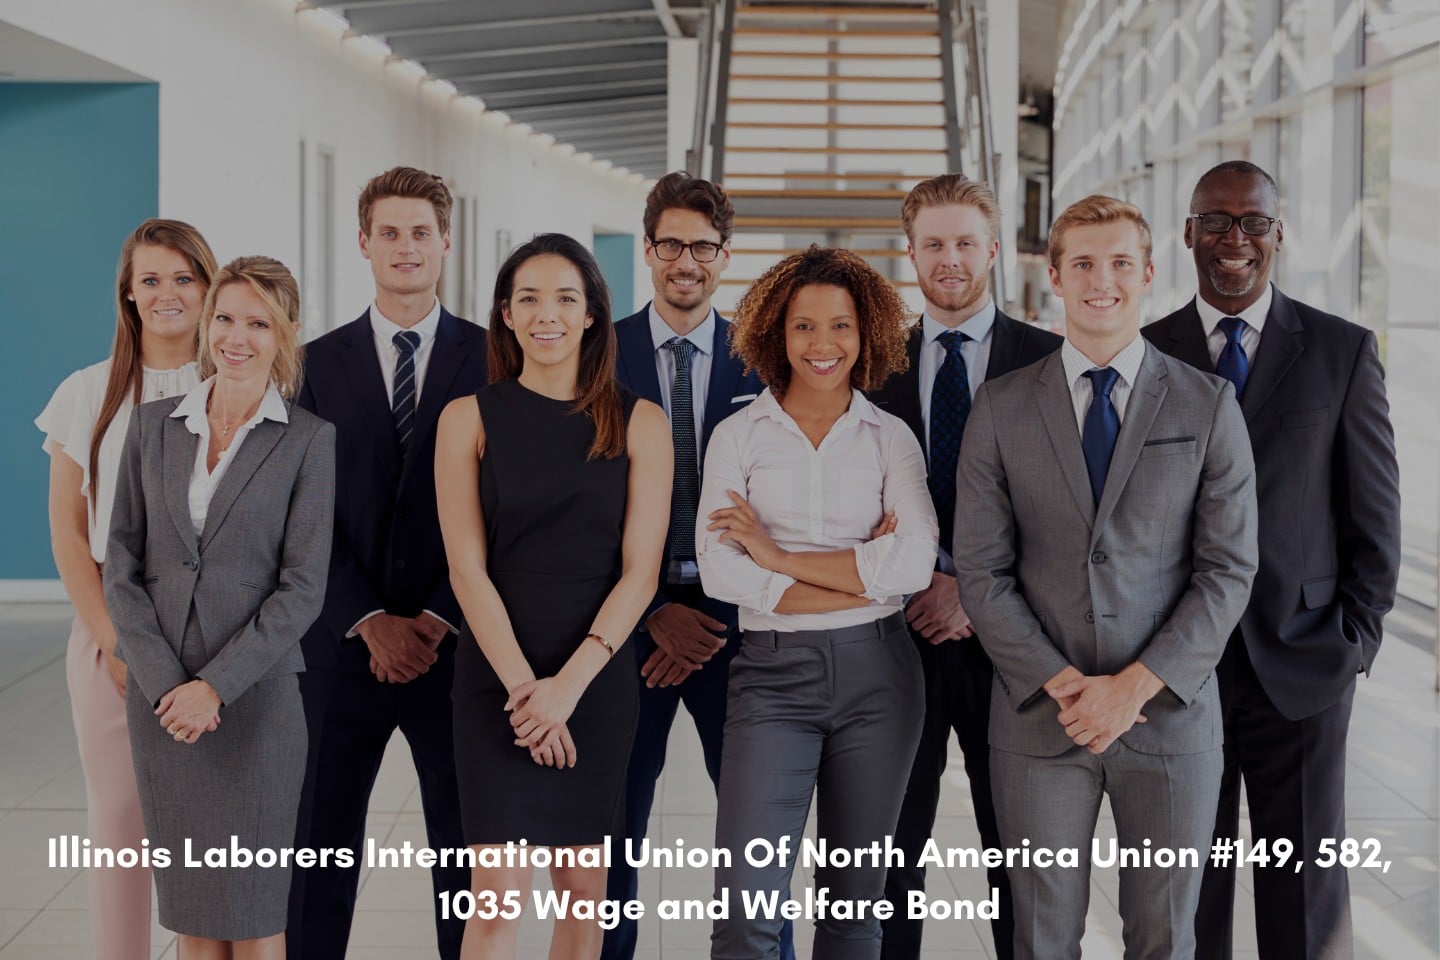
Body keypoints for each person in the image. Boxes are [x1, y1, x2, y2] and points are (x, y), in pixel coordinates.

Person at [954, 195, 1257, 960]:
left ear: (1148, 275)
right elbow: (982, 571)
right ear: (1054, 276)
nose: (1102, 280)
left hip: (1170, 718)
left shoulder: (1208, 404)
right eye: (1083, 263)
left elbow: (1228, 570)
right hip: (1039, 718)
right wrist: (1066, 686)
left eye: (1121, 263)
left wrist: (1130, 690)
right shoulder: (1000, 407)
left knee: (1165, 938)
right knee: (1041, 938)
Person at [1143, 161, 1401, 960]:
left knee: (1306, 894)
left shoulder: (1341, 350)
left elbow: (1375, 514)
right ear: (1188, 234)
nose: (1236, 238)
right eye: (1217, 221)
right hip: (1179, 668)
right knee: (1191, 889)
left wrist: (1354, 640)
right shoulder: (1146, 354)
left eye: (1253, 221)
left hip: (1305, 661)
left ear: (1278, 235)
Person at [436, 232, 671, 960]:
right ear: (506, 314)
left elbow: (640, 574)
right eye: (529, 299)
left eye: (566, 298)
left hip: (594, 680)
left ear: (592, 313)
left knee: (582, 895)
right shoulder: (466, 418)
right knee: (496, 897)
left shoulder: (641, 421)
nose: (548, 315)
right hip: (497, 679)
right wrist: (526, 696)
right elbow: (466, 571)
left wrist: (565, 692)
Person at [698, 247, 938, 960]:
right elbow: (720, 572)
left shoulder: (891, 438)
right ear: (777, 332)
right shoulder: (738, 436)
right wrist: (862, 574)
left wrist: (774, 557)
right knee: (745, 913)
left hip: (880, 679)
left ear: (867, 334)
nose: (822, 344)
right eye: (803, 326)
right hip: (771, 680)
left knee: (853, 912)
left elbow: (913, 565)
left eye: (840, 326)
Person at [104, 255, 335, 958]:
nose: (237, 337)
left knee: (257, 918)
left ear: (285, 333)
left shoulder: (308, 440)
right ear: (207, 326)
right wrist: (166, 685)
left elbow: (303, 588)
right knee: (194, 919)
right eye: (226, 319)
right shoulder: (151, 426)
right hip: (164, 707)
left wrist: (213, 687)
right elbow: (122, 565)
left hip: (256, 705)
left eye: (258, 323)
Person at [288, 166, 486, 960]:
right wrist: (367, 618)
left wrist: (438, 614)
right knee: (318, 848)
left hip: (460, 648)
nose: (407, 247)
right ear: (364, 242)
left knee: (465, 854)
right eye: (391, 232)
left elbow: (508, 506)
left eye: (421, 232)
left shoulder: (496, 359)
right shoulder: (309, 365)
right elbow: (297, 512)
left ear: (446, 242)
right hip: (339, 648)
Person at [869, 174, 1061, 960]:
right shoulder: (872, 363)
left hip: (1013, 649)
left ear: (993, 249)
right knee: (890, 857)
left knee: (1019, 860)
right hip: (898, 642)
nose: (950, 259)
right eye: (933, 244)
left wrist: (974, 596)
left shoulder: (1051, 360)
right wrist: (922, 581)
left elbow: (1067, 513)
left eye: (964, 243)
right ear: (911, 253)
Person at [605, 171, 795, 960]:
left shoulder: (768, 358)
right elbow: (576, 503)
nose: (687, 261)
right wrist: (650, 609)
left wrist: (714, 615)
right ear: (649, 250)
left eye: (704, 247)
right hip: (623, 628)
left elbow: (787, 497)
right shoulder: (597, 352)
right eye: (673, 245)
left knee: (758, 843)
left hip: (738, 631)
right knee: (612, 840)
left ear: (725, 256)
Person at [36, 218, 217, 960]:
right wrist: (118, 643)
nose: (168, 293)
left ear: (208, 287)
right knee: (119, 825)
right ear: (129, 294)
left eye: (184, 277)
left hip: (217, 636)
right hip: (113, 630)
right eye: (151, 279)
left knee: (212, 836)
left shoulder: (240, 385)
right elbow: (67, 532)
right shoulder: (87, 392)